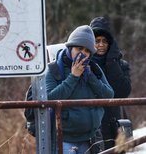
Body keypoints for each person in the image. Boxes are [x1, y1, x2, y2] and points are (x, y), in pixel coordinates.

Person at [45, 25, 114, 154]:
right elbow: (50, 98)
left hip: (91, 138)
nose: (83, 54)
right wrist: (74, 77)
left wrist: (91, 77)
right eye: (79, 48)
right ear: (70, 48)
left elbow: (109, 95)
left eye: (87, 51)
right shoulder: (54, 69)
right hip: (64, 138)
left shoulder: (94, 68)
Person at [90, 17, 132, 149]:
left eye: (105, 41)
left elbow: (123, 92)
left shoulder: (120, 65)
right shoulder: (83, 65)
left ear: (111, 43)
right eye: (97, 41)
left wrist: (111, 62)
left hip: (114, 123)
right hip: (91, 124)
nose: (101, 45)